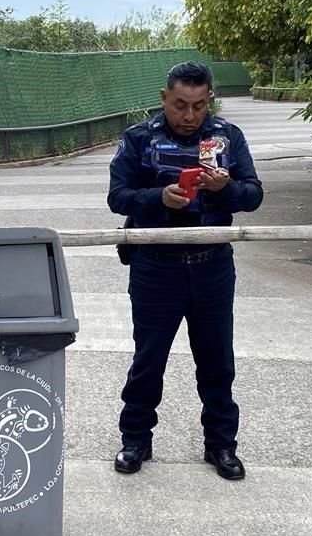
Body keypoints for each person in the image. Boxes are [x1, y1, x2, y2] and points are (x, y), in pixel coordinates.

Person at [107, 61, 263, 479]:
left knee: (217, 361)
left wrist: (225, 189)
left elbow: (253, 195)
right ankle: (135, 440)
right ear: (164, 98)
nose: (190, 115)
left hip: (212, 265)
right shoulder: (139, 138)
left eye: (199, 105)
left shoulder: (228, 137)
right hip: (155, 266)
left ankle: (221, 446)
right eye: (180, 105)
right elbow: (117, 196)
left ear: (209, 98)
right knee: (148, 359)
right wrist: (159, 198)